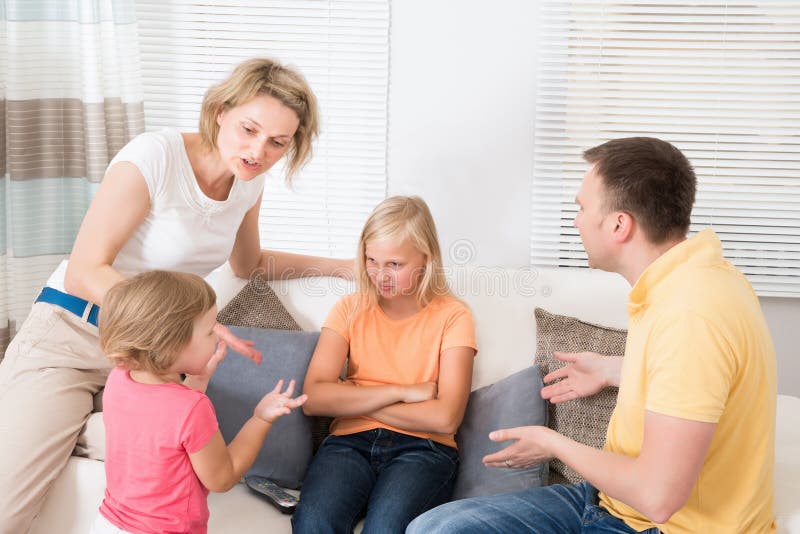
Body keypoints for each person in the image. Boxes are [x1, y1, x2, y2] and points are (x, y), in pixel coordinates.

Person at [0, 57, 350, 532]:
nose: (257, 151)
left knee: (185, 454)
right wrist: (182, 326)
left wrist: (345, 267)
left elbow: (247, 264)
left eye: (277, 143)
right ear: (221, 110)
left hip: (150, 364)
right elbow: (86, 271)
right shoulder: (154, 157)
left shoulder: (248, 184)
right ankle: (47, 417)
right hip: (73, 333)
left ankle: (65, 426)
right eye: (249, 129)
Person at [408, 137, 777, 534]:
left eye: (583, 208)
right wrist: (616, 369)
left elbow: (658, 497)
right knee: (436, 528)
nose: (576, 221)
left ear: (619, 225)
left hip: (663, 526)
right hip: (611, 504)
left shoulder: (690, 314)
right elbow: (695, 374)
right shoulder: (691, 279)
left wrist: (552, 443)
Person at [292, 196, 477, 534]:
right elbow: (314, 398)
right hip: (349, 443)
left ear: (427, 258)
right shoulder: (349, 308)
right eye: (371, 261)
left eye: (394, 264)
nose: (379, 275)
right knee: (313, 523)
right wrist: (403, 393)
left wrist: (355, 396)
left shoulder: (454, 316)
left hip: (423, 449)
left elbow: (445, 417)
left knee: (386, 528)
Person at [90, 270, 306, 534]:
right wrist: (260, 418)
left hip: (108, 524)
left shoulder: (118, 380)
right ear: (170, 344)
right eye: (209, 332)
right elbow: (223, 477)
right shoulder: (192, 407)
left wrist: (198, 382)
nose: (217, 338)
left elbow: (163, 423)